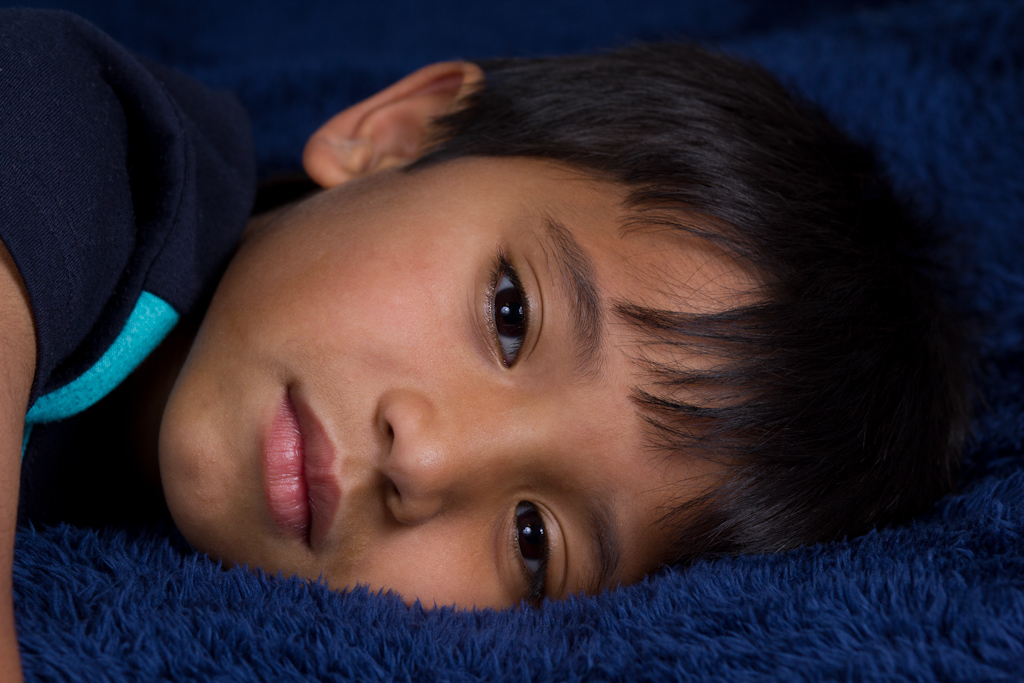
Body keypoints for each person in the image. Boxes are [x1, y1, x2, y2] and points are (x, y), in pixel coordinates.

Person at [0, 8, 971, 680]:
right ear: (401, 134)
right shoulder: (77, 128)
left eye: (532, 539)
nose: (425, 457)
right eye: (512, 315)